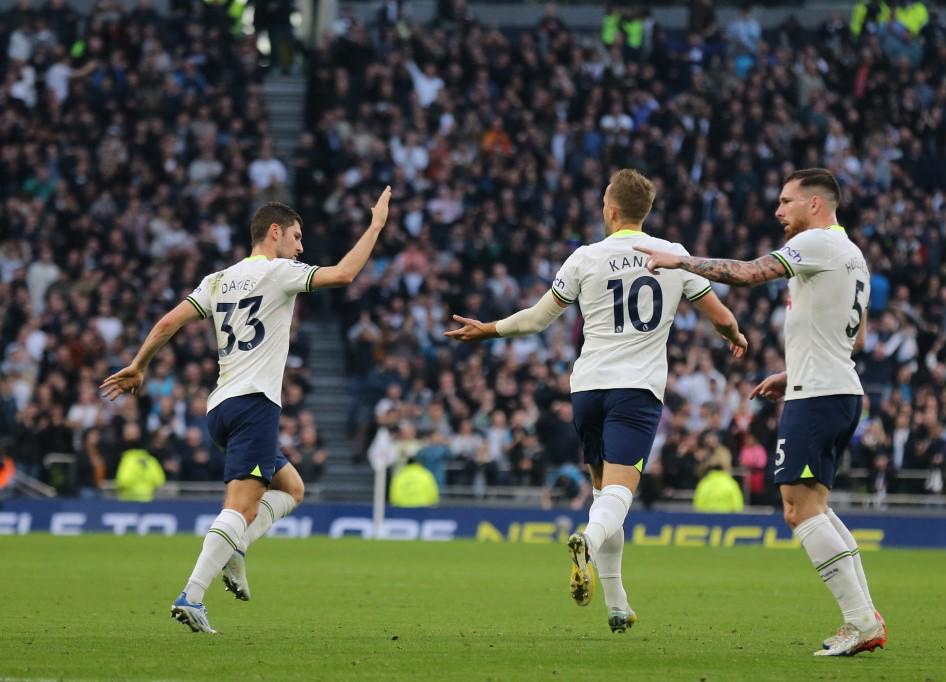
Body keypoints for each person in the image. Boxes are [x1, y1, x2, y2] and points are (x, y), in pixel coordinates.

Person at [445, 169, 747, 633]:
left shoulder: (585, 257)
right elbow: (721, 316)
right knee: (617, 500)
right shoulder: (674, 257)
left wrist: (488, 329)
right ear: (643, 213)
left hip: (587, 390)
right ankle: (586, 539)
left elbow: (537, 319)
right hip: (636, 390)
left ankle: (617, 603)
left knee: (605, 497)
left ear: (610, 210)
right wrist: (735, 335)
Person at [100, 189, 392, 633]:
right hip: (256, 403)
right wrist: (375, 226)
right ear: (273, 233)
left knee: (292, 488)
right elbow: (346, 274)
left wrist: (139, 365)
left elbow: (166, 323)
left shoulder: (216, 279)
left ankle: (236, 550)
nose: (300, 247)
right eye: (295, 237)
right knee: (239, 506)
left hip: (220, 407)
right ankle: (192, 595)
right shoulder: (279, 272)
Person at [636, 168, 886, 656]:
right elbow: (854, 338)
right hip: (833, 389)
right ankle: (864, 614)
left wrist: (682, 262)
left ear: (815, 205)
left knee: (799, 510)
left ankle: (860, 621)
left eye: (786, 201)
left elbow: (750, 273)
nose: (777, 211)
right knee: (815, 507)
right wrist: (791, 372)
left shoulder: (817, 244)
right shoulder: (852, 255)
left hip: (817, 396)